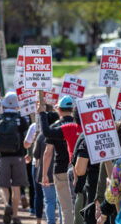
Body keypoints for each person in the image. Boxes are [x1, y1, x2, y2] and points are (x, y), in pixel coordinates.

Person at [0, 92, 29, 224]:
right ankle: (15, 215)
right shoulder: (21, 118)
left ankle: (6, 205)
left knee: (3, 185)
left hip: (2, 156)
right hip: (18, 156)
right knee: (16, 186)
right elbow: (26, 137)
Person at [41, 96, 75, 224]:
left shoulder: (55, 127)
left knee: (66, 208)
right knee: (79, 205)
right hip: (79, 169)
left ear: (59, 110)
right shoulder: (78, 125)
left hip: (60, 169)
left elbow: (48, 152)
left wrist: (44, 174)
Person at [27, 111, 60, 224]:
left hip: (45, 171)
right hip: (61, 169)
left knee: (48, 200)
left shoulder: (42, 135)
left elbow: (35, 155)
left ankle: (49, 222)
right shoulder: (61, 131)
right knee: (61, 200)